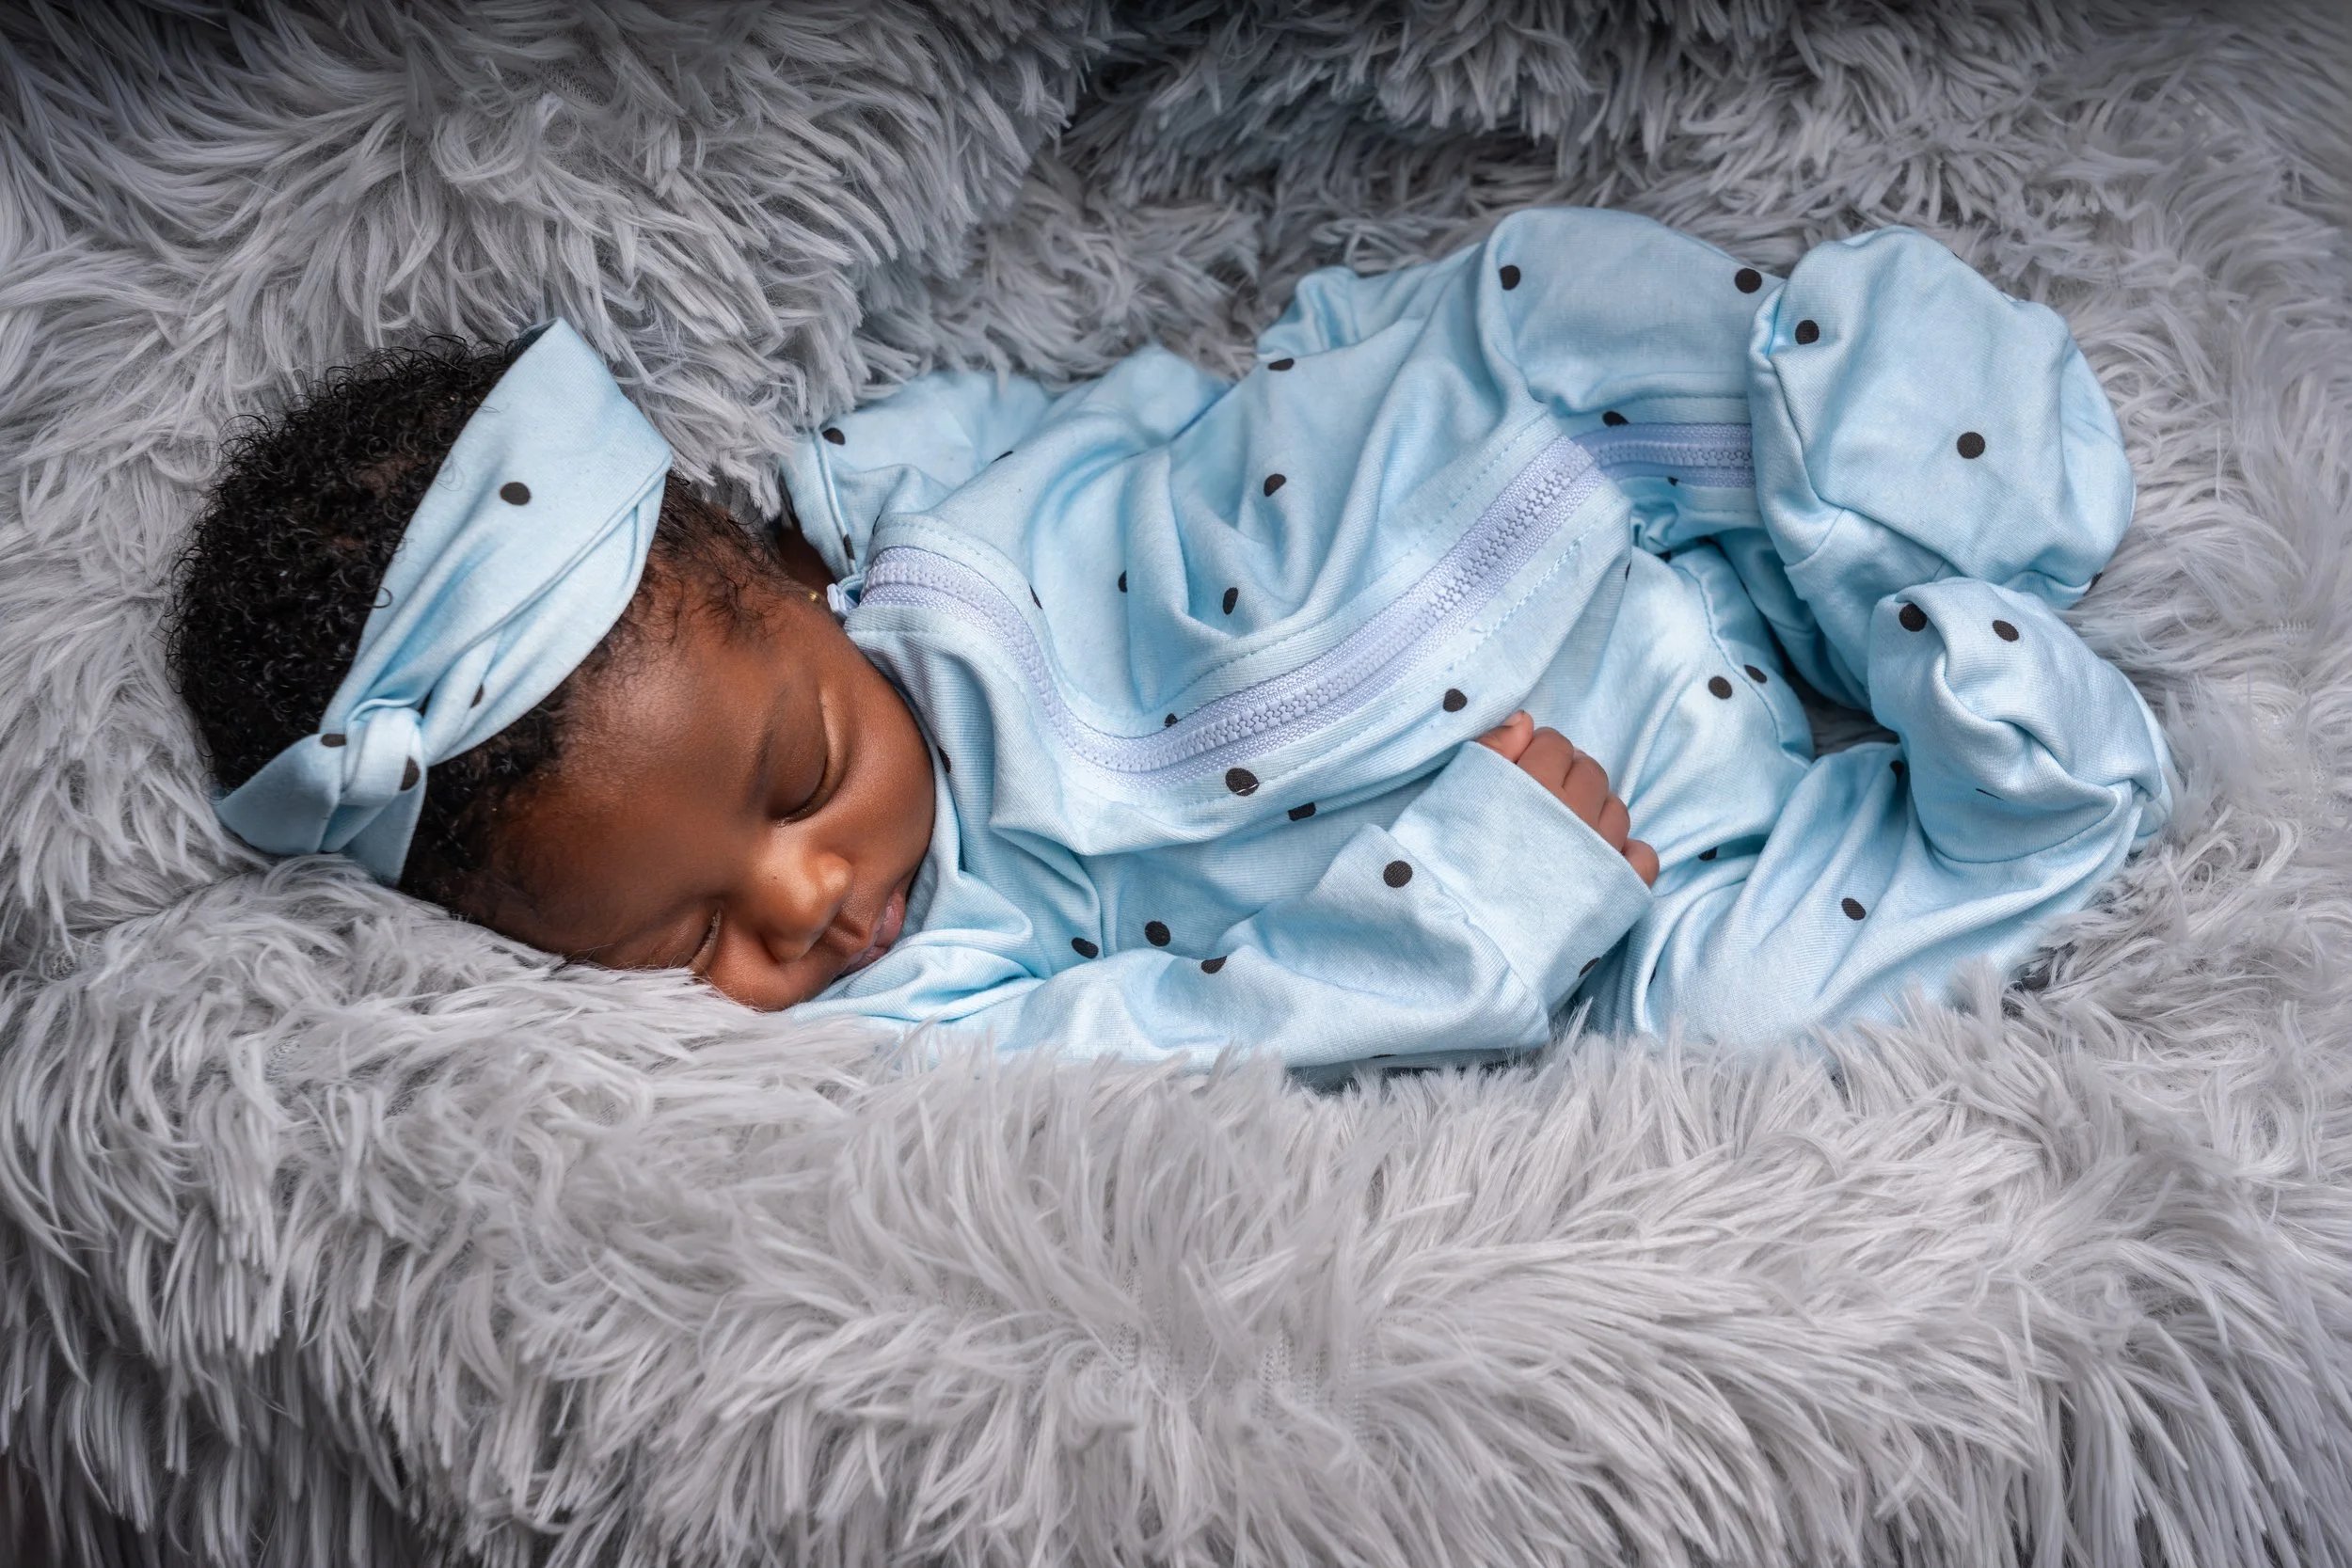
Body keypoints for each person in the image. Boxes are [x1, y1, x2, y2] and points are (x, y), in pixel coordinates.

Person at [170, 206, 2173, 1074]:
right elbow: (1182, 1047)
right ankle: (2015, 799)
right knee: (1725, 1027)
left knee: (1528, 322)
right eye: (683, 942)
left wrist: (1313, 400)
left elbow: (1154, 419)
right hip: (1603, 819)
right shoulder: (915, 1016)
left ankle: (1859, 496)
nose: (810, 896)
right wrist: (1472, 902)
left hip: (1458, 514)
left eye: (794, 779)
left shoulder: (907, 519)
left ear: (770, 574)